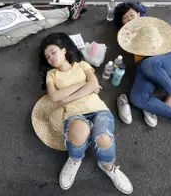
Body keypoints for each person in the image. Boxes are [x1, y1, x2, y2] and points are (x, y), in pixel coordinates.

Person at [39, 32, 133, 194]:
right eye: (47, 57)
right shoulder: (51, 74)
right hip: (75, 114)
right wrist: (83, 84)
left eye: (53, 52)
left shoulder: (82, 65)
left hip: (97, 109)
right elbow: (54, 96)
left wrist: (67, 98)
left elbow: (94, 84)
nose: (50, 58)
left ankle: (108, 167)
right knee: (79, 132)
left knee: (103, 138)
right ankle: (75, 159)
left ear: (64, 50)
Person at [117, 16, 171, 140]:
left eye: (131, 15)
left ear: (139, 13)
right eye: (125, 19)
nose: (129, 19)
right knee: (137, 98)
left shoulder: (149, 25)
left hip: (168, 59)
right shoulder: (128, 36)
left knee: (149, 64)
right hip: (146, 68)